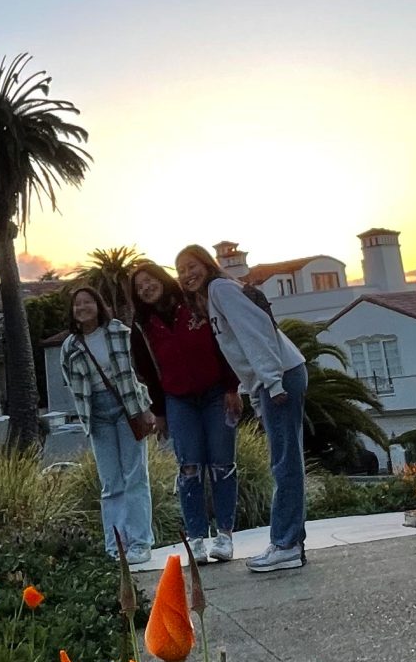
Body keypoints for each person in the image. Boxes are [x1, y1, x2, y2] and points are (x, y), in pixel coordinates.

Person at [175, 245, 310, 575]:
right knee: (286, 459)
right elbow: (243, 352)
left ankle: (286, 545)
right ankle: (290, 543)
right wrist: (258, 391)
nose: (187, 274)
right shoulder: (213, 296)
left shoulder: (220, 289)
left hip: (281, 375)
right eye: (180, 271)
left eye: (192, 266)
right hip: (275, 377)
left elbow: (256, 332)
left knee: (284, 462)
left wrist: (273, 382)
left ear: (207, 264)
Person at [130, 257, 239, 563]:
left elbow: (224, 344)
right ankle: (197, 539)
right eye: (139, 287)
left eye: (150, 279)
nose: (147, 288)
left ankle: (225, 536)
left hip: (216, 393)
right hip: (178, 401)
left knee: (222, 464)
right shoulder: (141, 327)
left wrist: (232, 387)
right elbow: (148, 373)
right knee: (189, 469)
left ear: (162, 278)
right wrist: (160, 411)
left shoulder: (195, 304)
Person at [57, 284, 155, 568]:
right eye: (77, 304)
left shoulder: (118, 332)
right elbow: (71, 383)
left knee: (136, 476)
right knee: (110, 483)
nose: (82, 308)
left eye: (88, 302)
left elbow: (139, 370)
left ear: (99, 305)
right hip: (96, 414)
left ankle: (140, 542)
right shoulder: (70, 346)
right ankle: (116, 546)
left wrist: (147, 407)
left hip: (128, 409)